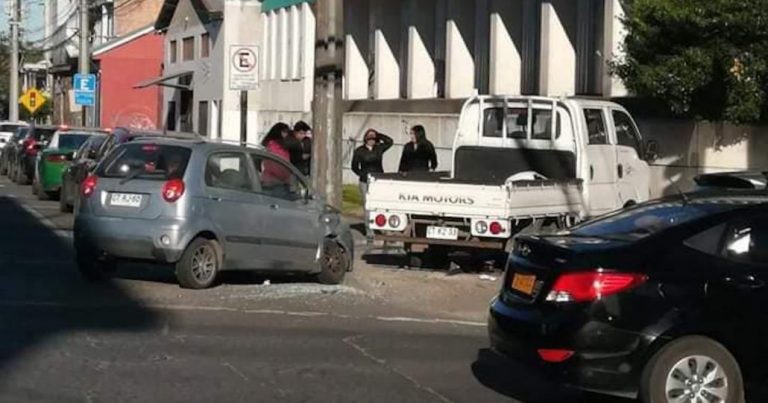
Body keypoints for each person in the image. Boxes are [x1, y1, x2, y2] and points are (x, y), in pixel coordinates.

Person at [260, 123, 293, 193]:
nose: (286, 134)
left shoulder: (280, 145)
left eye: (287, 132)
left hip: (274, 181)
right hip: (275, 182)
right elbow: (277, 164)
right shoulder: (273, 146)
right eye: (284, 132)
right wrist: (286, 176)